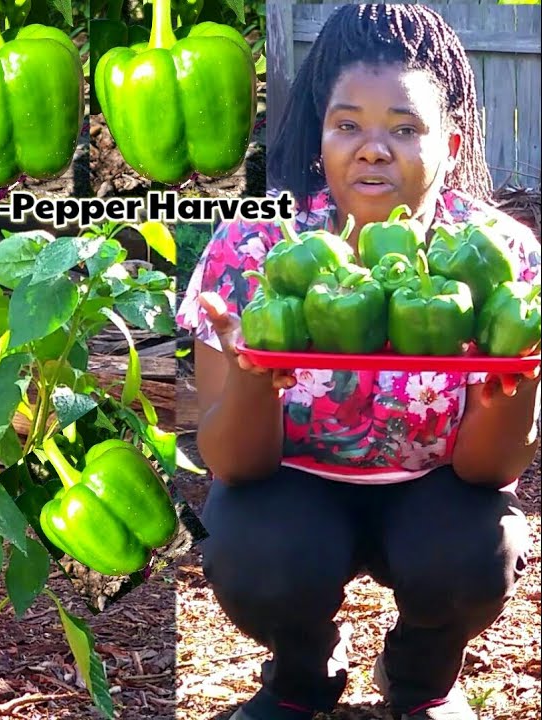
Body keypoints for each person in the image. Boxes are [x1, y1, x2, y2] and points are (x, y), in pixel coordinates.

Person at [176, 5, 539, 720]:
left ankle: (422, 676)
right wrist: (255, 375)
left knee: (475, 555)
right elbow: (230, 462)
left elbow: (492, 471)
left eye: (405, 129)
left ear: (450, 142)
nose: (373, 148)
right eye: (348, 125)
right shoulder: (254, 249)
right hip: (293, 490)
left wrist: (509, 384)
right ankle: (303, 673)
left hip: (437, 490)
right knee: (252, 552)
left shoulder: (499, 257)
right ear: (320, 140)